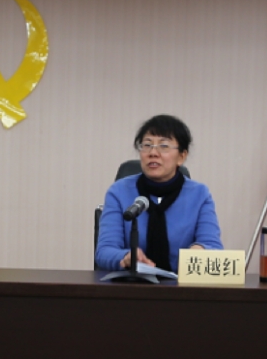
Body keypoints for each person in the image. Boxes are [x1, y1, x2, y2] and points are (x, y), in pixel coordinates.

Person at [95, 114, 222, 273]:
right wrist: (126, 256)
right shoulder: (119, 192)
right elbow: (104, 252)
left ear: (181, 156)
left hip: (182, 284)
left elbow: (213, 246)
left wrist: (200, 251)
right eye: (147, 145)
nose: (153, 153)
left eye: (164, 146)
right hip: (131, 283)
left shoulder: (199, 195)